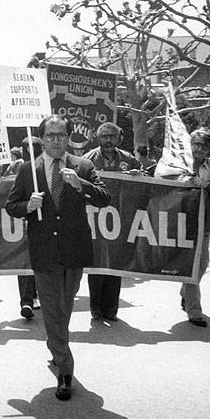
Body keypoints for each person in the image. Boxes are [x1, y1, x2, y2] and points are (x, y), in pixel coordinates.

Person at [5, 116, 111, 400]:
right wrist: (27, 205)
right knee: (53, 311)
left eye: (61, 135)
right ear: (42, 138)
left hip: (74, 251)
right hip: (44, 253)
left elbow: (104, 197)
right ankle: (65, 371)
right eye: (50, 135)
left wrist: (81, 186)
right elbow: (10, 206)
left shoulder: (84, 166)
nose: (56, 140)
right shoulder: (29, 170)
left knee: (63, 310)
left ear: (68, 138)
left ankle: (57, 349)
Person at [83, 122, 142, 322]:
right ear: (97, 138)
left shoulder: (129, 159)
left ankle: (111, 309)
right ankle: (96, 309)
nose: (108, 140)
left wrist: (137, 176)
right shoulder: (87, 160)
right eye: (104, 136)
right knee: (96, 264)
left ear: (119, 138)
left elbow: (146, 182)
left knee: (116, 263)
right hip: (95, 220)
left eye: (112, 136)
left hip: (121, 219)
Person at [177, 128, 210, 327]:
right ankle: (194, 311)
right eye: (196, 144)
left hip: (203, 223)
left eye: (204, 146)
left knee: (202, 265)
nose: (199, 149)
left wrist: (208, 185)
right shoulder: (178, 163)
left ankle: (185, 292)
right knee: (193, 266)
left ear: (209, 149)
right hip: (180, 220)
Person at [16, 136, 43, 319]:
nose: (31, 150)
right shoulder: (16, 168)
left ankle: (41, 296)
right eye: (27, 147)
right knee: (24, 264)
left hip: (46, 225)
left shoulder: (49, 168)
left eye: (35, 147)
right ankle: (26, 301)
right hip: (21, 225)